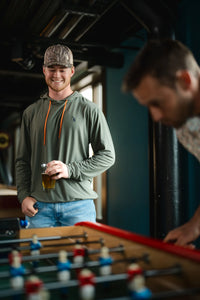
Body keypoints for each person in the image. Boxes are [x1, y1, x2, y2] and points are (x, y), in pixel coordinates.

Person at [16, 44, 115, 228]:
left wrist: (70, 170)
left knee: (82, 257)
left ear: (71, 71)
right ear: (44, 70)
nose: (56, 75)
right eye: (52, 69)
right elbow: (22, 161)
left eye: (62, 69)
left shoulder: (89, 109)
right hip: (39, 209)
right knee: (38, 258)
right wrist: (23, 196)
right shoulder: (30, 113)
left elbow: (107, 156)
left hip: (79, 207)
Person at [122, 38, 200, 248]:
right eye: (148, 106)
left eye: (157, 103)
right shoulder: (184, 128)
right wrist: (195, 225)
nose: (155, 117)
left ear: (185, 81)